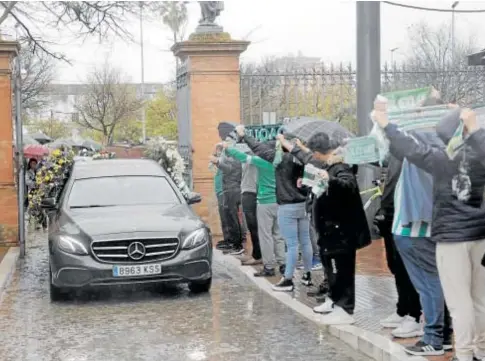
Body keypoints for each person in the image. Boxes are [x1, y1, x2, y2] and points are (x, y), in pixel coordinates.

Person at [373, 103, 485, 361]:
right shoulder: (480, 155)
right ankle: (480, 350)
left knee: (460, 303)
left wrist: (386, 124)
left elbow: (410, 147)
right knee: (480, 299)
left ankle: (465, 354)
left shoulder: (441, 159)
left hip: (452, 239)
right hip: (481, 235)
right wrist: (472, 126)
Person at [280, 132, 371, 325]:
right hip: (329, 229)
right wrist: (308, 184)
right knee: (331, 269)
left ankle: (345, 307)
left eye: (314, 153)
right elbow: (323, 188)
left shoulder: (340, 166)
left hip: (341, 231)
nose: (313, 157)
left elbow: (347, 185)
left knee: (341, 270)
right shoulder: (329, 165)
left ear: (320, 152)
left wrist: (329, 178)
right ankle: (334, 300)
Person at [236, 125, 313, 291]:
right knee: (305, 242)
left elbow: (258, 147)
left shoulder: (279, 159)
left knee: (291, 244)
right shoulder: (305, 159)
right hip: (303, 205)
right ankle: (307, 274)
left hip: (287, 205)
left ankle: (288, 279)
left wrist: (244, 135)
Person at [374, 155, 424, 338]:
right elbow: (381, 161)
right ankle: (402, 309)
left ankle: (414, 315)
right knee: (395, 265)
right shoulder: (394, 154)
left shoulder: (411, 152)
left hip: (405, 214)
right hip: (390, 215)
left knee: (407, 268)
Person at [223, 142, 285, 276]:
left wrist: (228, 148)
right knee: (278, 235)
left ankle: (268, 267)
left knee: (265, 235)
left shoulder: (262, 162)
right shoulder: (280, 161)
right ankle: (283, 264)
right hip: (279, 202)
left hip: (265, 202)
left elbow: (243, 157)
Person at [209, 150, 244, 255]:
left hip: (232, 191)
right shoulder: (231, 160)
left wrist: (217, 161)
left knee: (233, 219)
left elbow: (228, 168)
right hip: (227, 191)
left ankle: (237, 244)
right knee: (228, 218)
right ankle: (231, 241)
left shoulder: (235, 161)